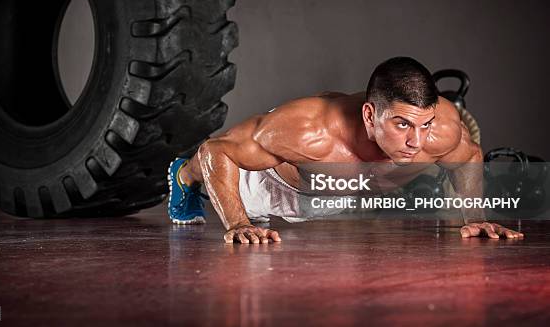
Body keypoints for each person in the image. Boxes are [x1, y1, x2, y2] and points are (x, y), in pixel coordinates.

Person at [166, 57, 524, 243]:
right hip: (274, 184)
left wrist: (474, 218)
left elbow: (469, 157)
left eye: (424, 124)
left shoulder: (438, 131)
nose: (417, 141)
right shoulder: (309, 131)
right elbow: (219, 152)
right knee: (210, 161)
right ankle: (183, 176)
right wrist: (238, 222)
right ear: (370, 115)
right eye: (402, 125)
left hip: (339, 193)